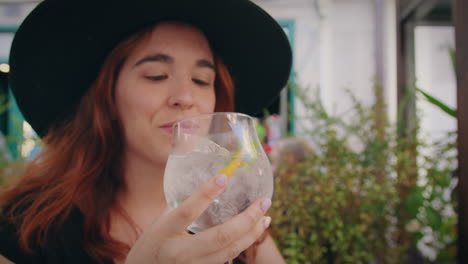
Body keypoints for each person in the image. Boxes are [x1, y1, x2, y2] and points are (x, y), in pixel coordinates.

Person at [0, 0, 292, 263]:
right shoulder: (23, 229)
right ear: (107, 99)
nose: (185, 96)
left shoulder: (231, 221)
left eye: (202, 80)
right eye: (157, 76)